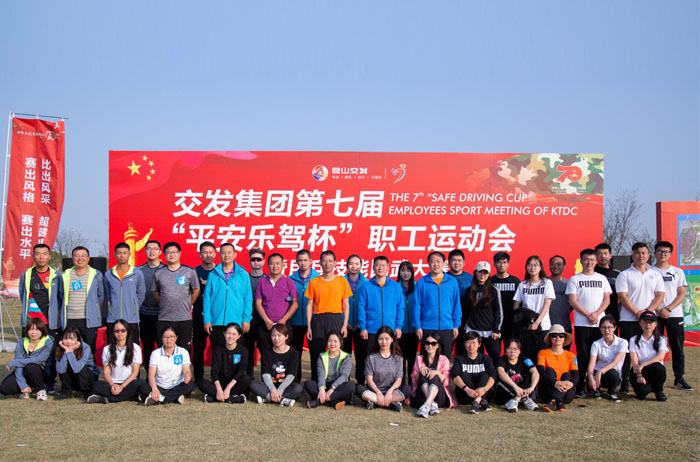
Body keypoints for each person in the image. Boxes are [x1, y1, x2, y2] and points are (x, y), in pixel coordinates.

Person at [616, 242, 664, 393]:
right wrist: (637, 313)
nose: (640, 256)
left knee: (650, 351)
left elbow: (659, 295)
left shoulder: (655, 274)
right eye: (637, 253)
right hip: (629, 319)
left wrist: (647, 312)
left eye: (643, 253)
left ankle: (651, 382)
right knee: (627, 354)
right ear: (632, 255)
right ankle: (624, 385)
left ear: (648, 255)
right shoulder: (625, 274)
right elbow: (622, 297)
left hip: (649, 321)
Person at [566, 248, 612, 397]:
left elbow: (607, 300)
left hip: (599, 324)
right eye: (586, 259)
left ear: (595, 261)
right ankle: (580, 386)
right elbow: (573, 301)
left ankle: (594, 386)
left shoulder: (602, 278)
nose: (589, 262)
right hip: (582, 323)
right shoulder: (575, 279)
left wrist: (597, 314)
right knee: (583, 355)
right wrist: (587, 314)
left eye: (592, 260)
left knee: (597, 356)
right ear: (581, 261)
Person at [18, 243, 63, 393]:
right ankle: (29, 383)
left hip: (49, 323)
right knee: (28, 352)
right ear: (33, 256)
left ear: (49, 256)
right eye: (38, 254)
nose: (41, 257)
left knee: (50, 355)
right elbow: (23, 295)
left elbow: (60, 297)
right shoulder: (26, 275)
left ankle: (50, 383)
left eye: (44, 254)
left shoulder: (56, 275)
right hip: (30, 322)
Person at [305, 250, 352, 382]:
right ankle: (316, 382)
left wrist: (344, 325)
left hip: (335, 318)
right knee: (316, 353)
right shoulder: (314, 282)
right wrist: (309, 326)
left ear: (335, 263)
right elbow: (309, 305)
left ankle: (340, 382)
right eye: (324, 261)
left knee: (337, 352)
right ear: (320, 263)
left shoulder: (342, 281)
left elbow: (346, 304)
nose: (327, 263)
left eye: (330, 261)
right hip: (318, 319)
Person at [357, 255, 404, 385]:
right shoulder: (367, 286)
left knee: (390, 357)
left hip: (390, 330)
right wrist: (363, 327)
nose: (380, 268)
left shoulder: (395, 286)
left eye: (383, 265)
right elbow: (361, 308)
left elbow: (400, 307)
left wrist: (398, 326)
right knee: (369, 358)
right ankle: (367, 385)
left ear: (388, 267)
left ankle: (389, 385)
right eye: (378, 265)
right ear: (373, 267)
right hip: (371, 330)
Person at [652, 241, 692, 390]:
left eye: (666, 252)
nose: (663, 254)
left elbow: (682, 294)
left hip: (674, 315)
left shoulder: (677, 272)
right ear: (655, 253)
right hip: (655, 315)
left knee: (677, 347)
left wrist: (668, 309)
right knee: (654, 347)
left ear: (670, 254)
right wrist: (658, 309)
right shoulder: (650, 271)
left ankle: (679, 378)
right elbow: (649, 293)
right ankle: (654, 379)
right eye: (660, 251)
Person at [202, 243, 252, 351]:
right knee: (217, 352)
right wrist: (207, 319)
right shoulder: (213, 274)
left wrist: (246, 319)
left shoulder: (243, 274)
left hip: (237, 322)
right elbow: (207, 298)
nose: (226, 255)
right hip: (217, 322)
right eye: (223, 253)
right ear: (219, 255)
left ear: (235, 254)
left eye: (229, 252)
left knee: (236, 353)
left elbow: (248, 299)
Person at [152, 242, 200, 349]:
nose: (171, 255)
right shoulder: (159, 273)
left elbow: (196, 290)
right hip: (164, 318)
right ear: (164, 254)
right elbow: (155, 292)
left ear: (179, 253)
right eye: (168, 252)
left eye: (174, 252)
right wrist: (164, 302)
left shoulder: (189, 271)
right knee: (164, 349)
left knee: (184, 349)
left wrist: (188, 303)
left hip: (184, 318)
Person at [412, 251, 461, 357]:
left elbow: (456, 304)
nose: (436, 264)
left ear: (444, 263)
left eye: (438, 261)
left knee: (445, 358)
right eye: (433, 261)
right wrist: (418, 326)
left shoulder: (452, 281)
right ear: (428, 263)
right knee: (427, 359)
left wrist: (456, 325)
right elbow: (417, 306)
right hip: (427, 327)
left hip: (447, 327)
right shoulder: (421, 282)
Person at [60, 246, 105, 355]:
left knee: (89, 350)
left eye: (83, 256)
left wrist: (93, 308)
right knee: (70, 349)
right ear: (72, 258)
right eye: (76, 256)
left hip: (89, 321)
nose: (80, 258)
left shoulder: (96, 274)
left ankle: (89, 367)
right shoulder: (65, 275)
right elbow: (61, 294)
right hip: (70, 319)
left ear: (88, 258)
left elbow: (101, 295)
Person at [355, 326, 410, 411]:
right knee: (358, 388)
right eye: (381, 339)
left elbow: (398, 380)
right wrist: (378, 393)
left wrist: (390, 391)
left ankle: (376, 403)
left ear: (392, 339)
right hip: (374, 392)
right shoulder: (371, 358)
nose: (384, 342)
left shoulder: (398, 359)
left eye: (387, 339)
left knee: (407, 389)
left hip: (392, 392)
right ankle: (390, 404)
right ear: (377, 340)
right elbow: (369, 380)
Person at [87, 319, 143, 403]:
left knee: (139, 384)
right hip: (113, 383)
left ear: (127, 332)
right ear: (113, 332)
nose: (120, 333)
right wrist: (112, 385)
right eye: (116, 331)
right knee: (96, 385)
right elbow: (106, 372)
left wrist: (122, 386)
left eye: (123, 330)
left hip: (129, 383)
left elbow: (135, 372)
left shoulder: (135, 348)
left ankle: (106, 399)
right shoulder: (107, 349)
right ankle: (130, 396)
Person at [1, 318, 54, 400]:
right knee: (4, 388)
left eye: (37, 329)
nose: (34, 332)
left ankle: (40, 389)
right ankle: (27, 389)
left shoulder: (48, 342)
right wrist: (23, 385)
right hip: (24, 370)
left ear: (42, 330)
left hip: (41, 372)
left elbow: (39, 360)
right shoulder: (21, 342)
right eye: (31, 329)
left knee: (31, 366)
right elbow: (19, 364)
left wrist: (14, 362)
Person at [249, 323, 303, 406]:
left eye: (279, 335)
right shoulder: (266, 353)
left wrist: (279, 391)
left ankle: (267, 398)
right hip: (269, 387)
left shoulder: (294, 353)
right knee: (253, 384)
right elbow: (265, 374)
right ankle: (282, 400)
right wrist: (273, 390)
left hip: (286, 387)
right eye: (273, 335)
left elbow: (291, 375)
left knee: (298, 388)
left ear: (286, 336)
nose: (276, 338)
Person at [513, 255, 555, 361]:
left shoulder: (547, 283)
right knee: (526, 357)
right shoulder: (523, 285)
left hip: (543, 326)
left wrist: (537, 322)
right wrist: (520, 320)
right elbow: (516, 305)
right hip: (526, 327)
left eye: (535, 265)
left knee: (541, 357)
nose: (532, 268)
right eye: (529, 265)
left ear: (540, 267)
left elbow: (547, 304)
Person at [139, 326, 195, 405]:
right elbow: (151, 375)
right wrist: (154, 389)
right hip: (159, 386)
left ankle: (162, 399)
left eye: (171, 336)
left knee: (190, 385)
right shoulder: (155, 353)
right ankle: (174, 398)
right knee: (142, 387)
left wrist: (187, 376)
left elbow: (186, 370)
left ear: (176, 337)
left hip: (177, 386)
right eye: (165, 337)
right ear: (161, 338)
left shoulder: (183, 352)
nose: (168, 340)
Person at [255, 253, 298, 353]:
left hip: (283, 324)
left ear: (283, 265)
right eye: (272, 263)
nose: (275, 266)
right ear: (267, 265)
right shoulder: (262, 282)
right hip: (265, 324)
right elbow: (258, 303)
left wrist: (284, 319)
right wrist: (266, 319)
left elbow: (295, 303)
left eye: (278, 263)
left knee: (284, 353)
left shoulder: (289, 282)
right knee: (265, 352)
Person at [198, 322, 251, 403]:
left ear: (239, 336)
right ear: (224, 334)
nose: (231, 336)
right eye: (228, 333)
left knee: (247, 379)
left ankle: (215, 397)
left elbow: (241, 371)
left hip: (235, 383)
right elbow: (214, 371)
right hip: (221, 383)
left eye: (234, 334)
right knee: (201, 383)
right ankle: (232, 398)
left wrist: (228, 388)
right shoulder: (217, 350)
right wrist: (219, 389)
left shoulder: (243, 350)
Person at [407, 331, 456, 418]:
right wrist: (419, 371)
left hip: (439, 396)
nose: (430, 346)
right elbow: (414, 381)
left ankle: (427, 404)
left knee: (434, 374)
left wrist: (438, 373)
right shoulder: (419, 359)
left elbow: (446, 383)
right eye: (427, 343)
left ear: (438, 345)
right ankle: (431, 403)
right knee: (423, 372)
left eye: (433, 343)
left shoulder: (444, 359)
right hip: (422, 395)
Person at [104, 242, 146, 343]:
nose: (122, 256)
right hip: (113, 318)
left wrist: (133, 308)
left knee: (133, 347)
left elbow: (141, 294)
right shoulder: (108, 274)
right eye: (119, 253)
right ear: (115, 254)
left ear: (129, 254)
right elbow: (108, 294)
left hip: (131, 319)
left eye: (124, 253)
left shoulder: (137, 273)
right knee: (113, 347)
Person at [460, 261, 502, 359]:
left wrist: (496, 329)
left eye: (485, 273)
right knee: (475, 358)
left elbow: (499, 311)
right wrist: (463, 329)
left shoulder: (494, 290)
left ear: (489, 275)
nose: (482, 275)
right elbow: (465, 312)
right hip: (473, 330)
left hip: (490, 332)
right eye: (480, 272)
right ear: (475, 272)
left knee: (495, 357)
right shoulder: (469, 290)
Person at [304, 330, 354, 410]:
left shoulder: (346, 357)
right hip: (325, 385)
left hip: (338, 386)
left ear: (340, 343)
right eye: (330, 341)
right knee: (308, 384)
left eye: (335, 341)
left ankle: (319, 401)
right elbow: (321, 374)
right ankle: (334, 400)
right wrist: (322, 389)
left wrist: (332, 388)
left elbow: (344, 376)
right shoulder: (322, 356)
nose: (332, 344)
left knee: (349, 386)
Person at [289, 249, 319, 381]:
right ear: (296, 262)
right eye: (300, 260)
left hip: (313, 322)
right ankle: (295, 381)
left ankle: (315, 381)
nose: (303, 263)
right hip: (295, 322)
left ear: (310, 261)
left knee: (315, 353)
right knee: (295, 353)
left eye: (305, 260)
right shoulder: (290, 280)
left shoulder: (318, 279)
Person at [138, 239, 165, 379]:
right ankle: (150, 377)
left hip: (163, 315)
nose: (151, 251)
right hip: (144, 314)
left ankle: (162, 377)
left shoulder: (166, 269)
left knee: (163, 347)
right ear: (145, 251)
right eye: (149, 248)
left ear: (160, 252)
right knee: (147, 347)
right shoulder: (138, 271)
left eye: (155, 249)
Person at [451, 331, 497, 414]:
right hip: (466, 395)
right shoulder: (459, 359)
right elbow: (454, 375)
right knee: (463, 375)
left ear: (479, 344)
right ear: (464, 344)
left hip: (484, 393)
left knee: (485, 375)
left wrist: (484, 389)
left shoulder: (485, 359)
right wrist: (468, 390)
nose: (471, 345)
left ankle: (476, 401)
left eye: (474, 342)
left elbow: (493, 375)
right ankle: (480, 401)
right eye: (468, 342)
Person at [536, 324, 578, 412]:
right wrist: (555, 383)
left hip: (566, 391)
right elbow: (541, 371)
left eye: (561, 335)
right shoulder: (543, 353)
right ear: (550, 338)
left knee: (567, 375)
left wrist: (572, 384)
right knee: (549, 370)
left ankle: (554, 400)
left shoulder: (571, 355)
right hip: (548, 390)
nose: (558, 338)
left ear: (564, 338)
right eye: (554, 335)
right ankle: (559, 402)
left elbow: (576, 375)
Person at [629, 310, 669, 401]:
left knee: (658, 367)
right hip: (639, 370)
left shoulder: (661, 339)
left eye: (651, 323)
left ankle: (659, 391)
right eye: (645, 322)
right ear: (640, 323)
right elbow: (634, 361)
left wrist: (643, 364)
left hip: (653, 369)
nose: (648, 325)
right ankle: (649, 387)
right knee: (642, 393)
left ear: (655, 324)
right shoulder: (633, 340)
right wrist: (639, 375)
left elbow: (660, 357)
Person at [587, 315, 627, 403]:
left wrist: (600, 371)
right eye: (603, 327)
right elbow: (592, 363)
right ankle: (596, 390)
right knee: (591, 376)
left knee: (613, 374)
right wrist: (590, 377)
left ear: (615, 328)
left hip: (612, 373)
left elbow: (615, 362)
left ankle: (612, 391)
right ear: (600, 328)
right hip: (598, 373)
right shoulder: (596, 344)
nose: (606, 330)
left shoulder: (622, 342)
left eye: (609, 327)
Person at [192, 241, 216, 382]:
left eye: (210, 252)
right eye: (205, 252)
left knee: (217, 349)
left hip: (216, 317)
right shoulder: (194, 272)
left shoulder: (220, 271)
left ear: (215, 254)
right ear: (200, 254)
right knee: (198, 348)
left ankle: (217, 378)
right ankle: (198, 378)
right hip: (198, 316)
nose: (208, 255)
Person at [494, 338, 539, 412]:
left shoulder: (525, 359)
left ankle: (519, 399)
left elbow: (535, 372)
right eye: (509, 349)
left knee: (531, 374)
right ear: (505, 350)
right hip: (506, 393)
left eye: (515, 349)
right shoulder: (501, 360)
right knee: (502, 378)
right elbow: (501, 372)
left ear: (519, 351)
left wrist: (531, 388)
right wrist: (516, 387)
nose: (512, 351)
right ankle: (522, 399)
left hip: (522, 390)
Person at [54, 327, 100, 400]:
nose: (68, 342)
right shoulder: (60, 348)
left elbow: (77, 368)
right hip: (74, 378)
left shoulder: (86, 348)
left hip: (87, 377)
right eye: (65, 338)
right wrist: (67, 351)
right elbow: (60, 370)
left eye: (72, 339)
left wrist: (70, 352)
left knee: (81, 368)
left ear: (78, 339)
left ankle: (87, 392)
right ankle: (66, 391)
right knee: (65, 365)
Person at [344, 254, 368, 384]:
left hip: (361, 326)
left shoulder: (367, 283)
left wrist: (361, 322)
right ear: (347, 266)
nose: (354, 266)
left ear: (361, 266)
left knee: (361, 356)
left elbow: (369, 305)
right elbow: (338, 303)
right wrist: (345, 322)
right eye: (351, 263)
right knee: (344, 356)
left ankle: (360, 382)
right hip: (345, 326)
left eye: (356, 264)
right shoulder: (341, 281)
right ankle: (344, 382)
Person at [244, 248, 266, 376]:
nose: (256, 262)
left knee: (265, 352)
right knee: (247, 352)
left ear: (263, 261)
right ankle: (248, 379)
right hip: (247, 321)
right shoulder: (244, 278)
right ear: (249, 261)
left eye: (259, 259)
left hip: (263, 322)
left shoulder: (268, 279)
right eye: (253, 259)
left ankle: (266, 380)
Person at [397, 261, 419, 386]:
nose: (406, 273)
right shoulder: (394, 287)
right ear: (399, 272)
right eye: (403, 270)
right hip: (399, 330)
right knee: (399, 359)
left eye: (408, 270)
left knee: (412, 359)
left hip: (414, 330)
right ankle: (399, 385)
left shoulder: (418, 287)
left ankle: (411, 385)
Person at [491, 252, 520, 345]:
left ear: (508, 264)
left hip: (511, 322)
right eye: (499, 262)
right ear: (494, 264)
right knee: (495, 350)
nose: (501, 265)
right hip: (495, 322)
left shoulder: (515, 281)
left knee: (511, 348)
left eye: (504, 262)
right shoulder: (490, 281)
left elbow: (519, 302)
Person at [594, 243, 621, 323]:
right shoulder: (592, 273)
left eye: (605, 253)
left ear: (610, 256)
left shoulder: (618, 274)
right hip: (594, 312)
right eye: (599, 254)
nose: (602, 256)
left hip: (613, 312)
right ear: (595, 256)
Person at [548, 255, 572, 339]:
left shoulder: (569, 284)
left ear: (564, 267)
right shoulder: (543, 283)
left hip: (564, 326)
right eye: (553, 264)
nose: (555, 267)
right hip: (546, 327)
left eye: (558, 264)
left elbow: (573, 303)